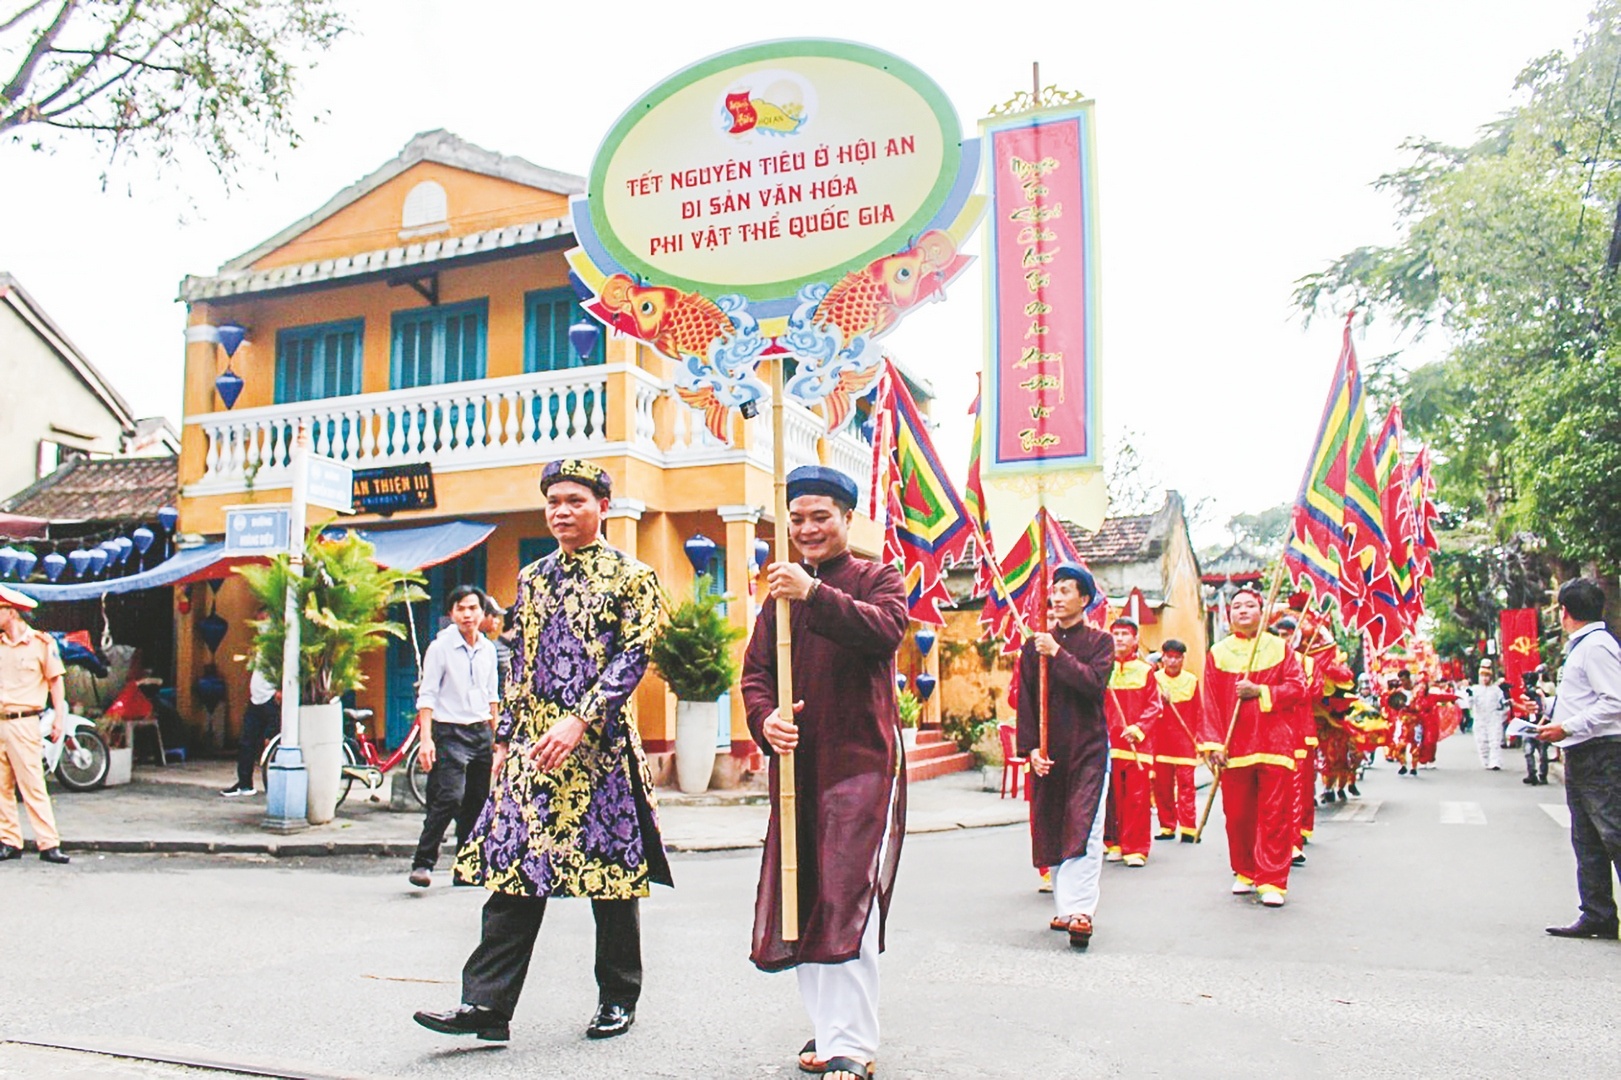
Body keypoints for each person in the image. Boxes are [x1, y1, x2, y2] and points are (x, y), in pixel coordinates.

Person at [415, 458, 669, 1042]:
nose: (562, 511)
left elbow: (632, 658)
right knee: (513, 873)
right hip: (534, 749)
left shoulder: (633, 577)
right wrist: (505, 740)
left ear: (602, 506)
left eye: (575, 500)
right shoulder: (533, 578)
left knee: (611, 877)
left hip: (601, 752)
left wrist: (580, 721)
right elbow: (523, 664)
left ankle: (617, 997)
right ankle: (485, 1007)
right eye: (553, 501)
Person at [743, 465, 908, 1080]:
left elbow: (886, 631)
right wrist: (767, 722)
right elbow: (755, 675)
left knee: (847, 897)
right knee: (802, 895)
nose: (808, 528)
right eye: (798, 518)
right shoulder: (777, 596)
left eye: (821, 517)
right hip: (799, 767)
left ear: (846, 520)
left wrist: (814, 595)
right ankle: (828, 1031)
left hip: (860, 763)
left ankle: (853, 1045)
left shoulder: (876, 578)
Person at [1019, 562, 1113, 949]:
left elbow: (1093, 685)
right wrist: (1032, 750)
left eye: (1066, 590)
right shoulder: (1033, 646)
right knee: (1053, 823)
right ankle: (1064, 905)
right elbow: (1026, 701)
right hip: (1050, 751)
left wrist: (1057, 652)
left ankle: (1081, 911)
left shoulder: (1100, 643)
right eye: (1054, 590)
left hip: (1088, 750)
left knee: (1084, 825)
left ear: (1085, 599)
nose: (1056, 597)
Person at [1198, 587, 1306, 907]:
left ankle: (1272, 880)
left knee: (1275, 815)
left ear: (1262, 612)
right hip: (1234, 745)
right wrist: (1214, 742)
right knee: (1238, 815)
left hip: (1274, 743)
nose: (1242, 611)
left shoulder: (1280, 648)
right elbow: (1211, 702)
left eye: (1249, 605)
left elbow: (1298, 689)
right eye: (1236, 607)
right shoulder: (1218, 652)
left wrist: (1260, 690)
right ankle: (1245, 871)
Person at [1538, 579, 1621, 940]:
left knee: (1613, 832)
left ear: (1565, 612)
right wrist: (1553, 720)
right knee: (1586, 837)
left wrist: (1568, 727)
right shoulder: (1585, 647)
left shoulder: (1597, 647)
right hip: (1582, 750)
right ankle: (1598, 913)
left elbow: (1614, 701)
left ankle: (1599, 911)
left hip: (1601, 751)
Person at [407, 584, 500, 889]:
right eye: (460, 608)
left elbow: (492, 696)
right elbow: (428, 694)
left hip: (480, 732)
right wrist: (426, 739)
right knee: (448, 797)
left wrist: (499, 738)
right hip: (449, 733)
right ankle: (423, 862)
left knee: (476, 802)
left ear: (482, 612)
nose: (467, 614)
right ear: (451, 614)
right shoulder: (441, 648)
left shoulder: (488, 649)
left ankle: (467, 867)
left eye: (472, 608)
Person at [0, 584, 70, 864]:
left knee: (32, 784)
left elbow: (56, 682)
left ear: (11, 612)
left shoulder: (42, 644)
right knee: (1, 787)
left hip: (24, 722)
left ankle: (48, 843)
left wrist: (59, 721)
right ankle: (8, 840)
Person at [1102, 617, 1160, 867]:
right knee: (1110, 797)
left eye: (1125, 633)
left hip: (1138, 745)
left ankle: (1136, 847)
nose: (1120, 638)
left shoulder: (1146, 670)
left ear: (1136, 639)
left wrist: (1138, 728)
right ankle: (1113, 842)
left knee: (1137, 798)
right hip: (1108, 744)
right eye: (1115, 633)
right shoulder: (1103, 669)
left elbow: (1154, 706)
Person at [1152, 639, 1203, 843]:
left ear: (1183, 659)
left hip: (1185, 742)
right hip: (1160, 740)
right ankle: (1167, 826)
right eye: (1169, 657)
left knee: (1186, 785)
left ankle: (1189, 827)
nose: (1172, 662)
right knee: (1162, 786)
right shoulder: (1153, 679)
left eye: (1177, 657)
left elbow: (1198, 712)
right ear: (1162, 658)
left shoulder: (1191, 680)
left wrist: (1200, 740)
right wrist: (1159, 700)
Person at [220, 631, 280, 797]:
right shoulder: (260, 647)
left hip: (270, 699)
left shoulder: (279, 645)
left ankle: (275, 785)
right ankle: (244, 783)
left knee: (271, 743)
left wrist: (280, 690)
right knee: (247, 741)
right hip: (256, 700)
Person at [1466, 662, 1509, 771]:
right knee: (1482, 742)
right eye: (1482, 676)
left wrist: (1502, 713)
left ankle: (1495, 762)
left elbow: (1503, 704)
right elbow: (1470, 705)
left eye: (1487, 676)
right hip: (1480, 718)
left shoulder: (1496, 690)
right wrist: (1470, 696)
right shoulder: (1475, 689)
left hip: (1493, 718)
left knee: (1495, 741)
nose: (1485, 678)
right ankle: (1485, 761)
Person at [1517, 671, 1551, 785]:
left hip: (1540, 724)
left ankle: (1541, 775)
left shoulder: (1539, 693)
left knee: (1540, 752)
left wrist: (1540, 724)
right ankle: (1532, 774)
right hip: (1530, 724)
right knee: (1530, 751)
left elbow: (1545, 710)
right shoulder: (1526, 693)